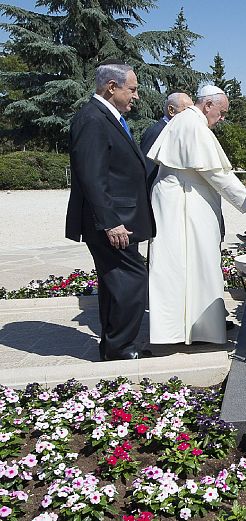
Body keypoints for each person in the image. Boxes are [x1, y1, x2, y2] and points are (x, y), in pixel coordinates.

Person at [146, 85, 246, 345]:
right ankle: (182, 331)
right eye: (221, 113)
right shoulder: (194, 125)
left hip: (184, 201)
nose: (221, 119)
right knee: (186, 266)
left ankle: (190, 330)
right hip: (182, 204)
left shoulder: (187, 120)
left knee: (191, 267)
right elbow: (217, 174)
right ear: (207, 104)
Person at [65, 61, 154, 361]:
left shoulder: (107, 117)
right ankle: (121, 348)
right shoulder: (93, 119)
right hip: (114, 223)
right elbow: (92, 176)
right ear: (111, 87)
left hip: (120, 219)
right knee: (131, 279)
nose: (136, 96)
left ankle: (114, 345)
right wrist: (110, 222)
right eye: (133, 89)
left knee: (117, 282)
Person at [140, 92, 193, 190]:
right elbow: (147, 170)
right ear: (171, 110)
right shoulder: (158, 132)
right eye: (186, 111)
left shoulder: (172, 130)